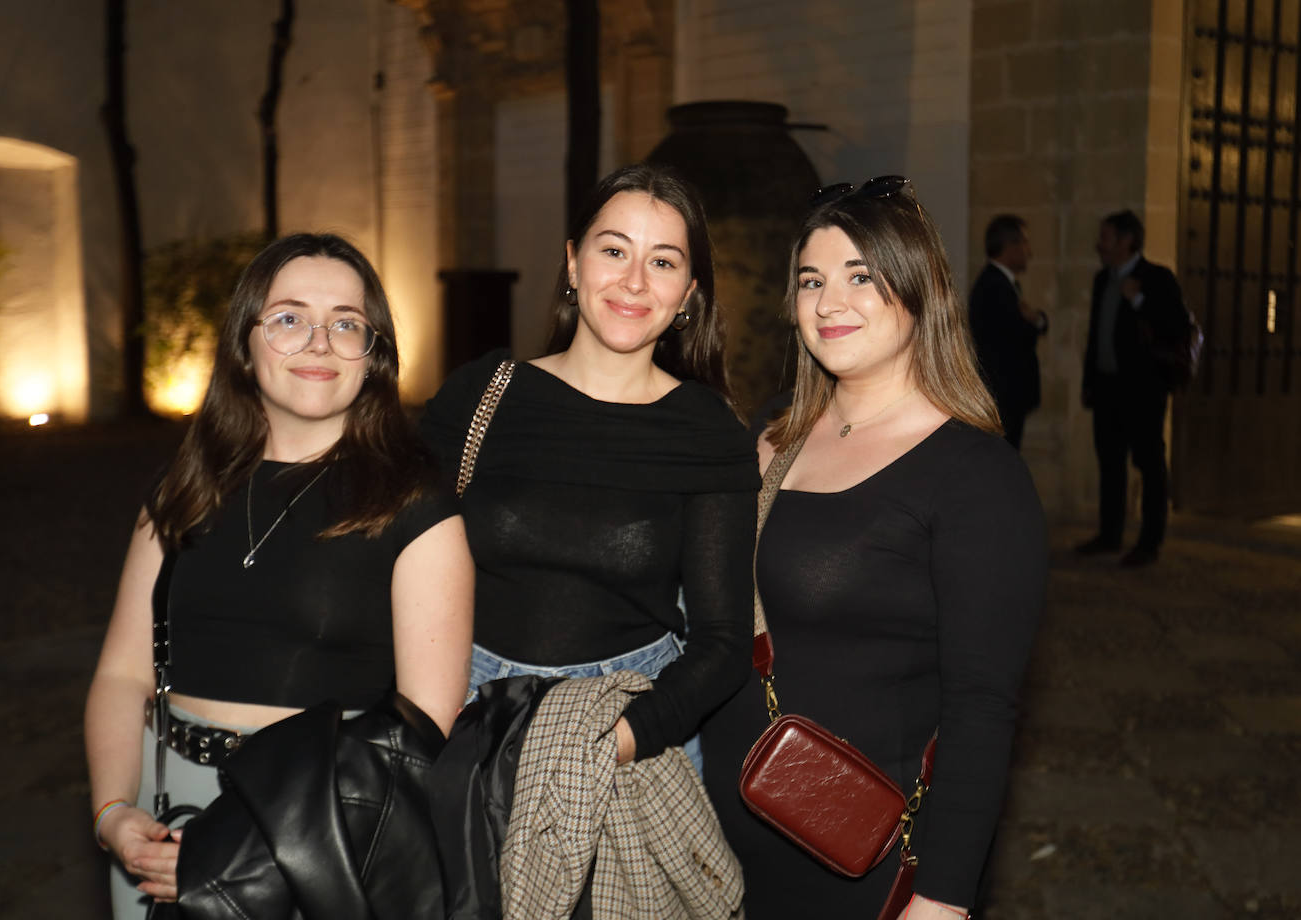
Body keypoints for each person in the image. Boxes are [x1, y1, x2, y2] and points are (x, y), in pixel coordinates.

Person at [84, 233, 473, 919]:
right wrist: (115, 811)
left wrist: (242, 853)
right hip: (162, 818)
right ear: (245, 343)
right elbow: (123, 674)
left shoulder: (416, 504)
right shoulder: (184, 488)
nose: (319, 343)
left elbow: (423, 725)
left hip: (316, 836)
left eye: (346, 324)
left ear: (373, 355)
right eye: (290, 318)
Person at [700, 177, 1047, 920]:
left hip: (856, 863)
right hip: (711, 850)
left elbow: (981, 711)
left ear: (919, 288)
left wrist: (943, 899)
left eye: (861, 276)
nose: (830, 303)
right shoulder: (773, 434)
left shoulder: (976, 477)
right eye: (811, 280)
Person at [420, 163, 759, 776]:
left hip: (627, 730)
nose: (633, 282)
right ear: (574, 264)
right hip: (466, 709)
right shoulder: (480, 396)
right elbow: (397, 570)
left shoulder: (706, 432)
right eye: (614, 250)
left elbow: (724, 646)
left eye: (662, 261)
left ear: (687, 292)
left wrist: (610, 744)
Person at [1077, 209, 1190, 566]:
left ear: (1127, 241)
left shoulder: (1156, 278)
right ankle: (1109, 534)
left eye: (1106, 237)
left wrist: (1138, 300)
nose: (1100, 245)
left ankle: (1149, 542)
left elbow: (1175, 327)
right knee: (1110, 463)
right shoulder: (1101, 280)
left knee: (1150, 463)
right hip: (1108, 389)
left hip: (1143, 391)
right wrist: (1090, 384)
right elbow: (1097, 337)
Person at [968, 214, 1048, 449]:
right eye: (1025, 243)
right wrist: (1035, 323)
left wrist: (1037, 320)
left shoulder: (1004, 284)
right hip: (1004, 392)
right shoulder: (995, 287)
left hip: (1006, 393)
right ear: (1010, 246)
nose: (1029, 252)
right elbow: (1015, 337)